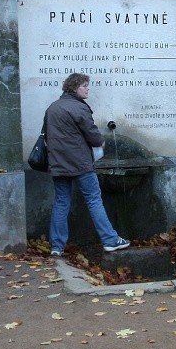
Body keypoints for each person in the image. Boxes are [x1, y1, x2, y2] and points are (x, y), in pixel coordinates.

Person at [44, 73, 129, 256]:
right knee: (94, 200)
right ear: (74, 87)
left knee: (61, 203)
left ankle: (56, 247)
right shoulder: (79, 108)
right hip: (80, 164)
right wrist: (100, 142)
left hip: (58, 164)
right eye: (84, 85)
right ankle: (110, 240)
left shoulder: (53, 108)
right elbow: (92, 135)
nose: (87, 88)